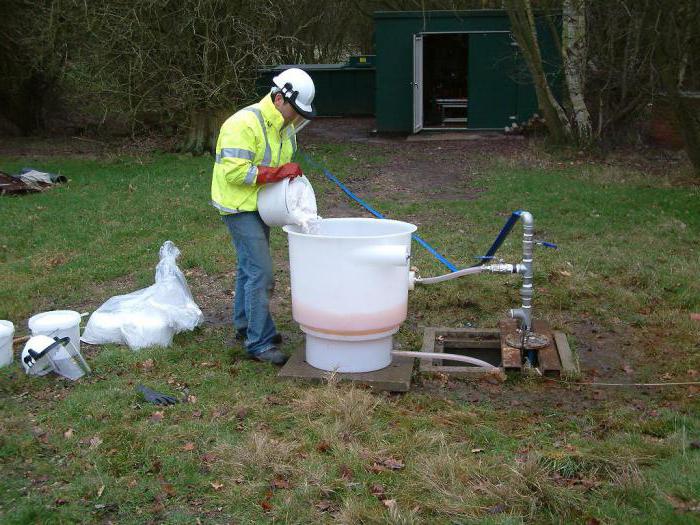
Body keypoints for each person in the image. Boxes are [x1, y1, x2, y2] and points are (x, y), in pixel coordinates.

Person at [211, 68, 316, 365]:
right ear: (280, 98)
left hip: (263, 205)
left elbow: (281, 165)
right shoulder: (242, 124)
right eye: (295, 111)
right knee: (262, 273)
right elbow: (234, 172)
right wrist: (279, 173)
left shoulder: (283, 127)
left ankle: (245, 326)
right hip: (238, 206)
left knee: (248, 268)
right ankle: (259, 343)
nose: (297, 117)